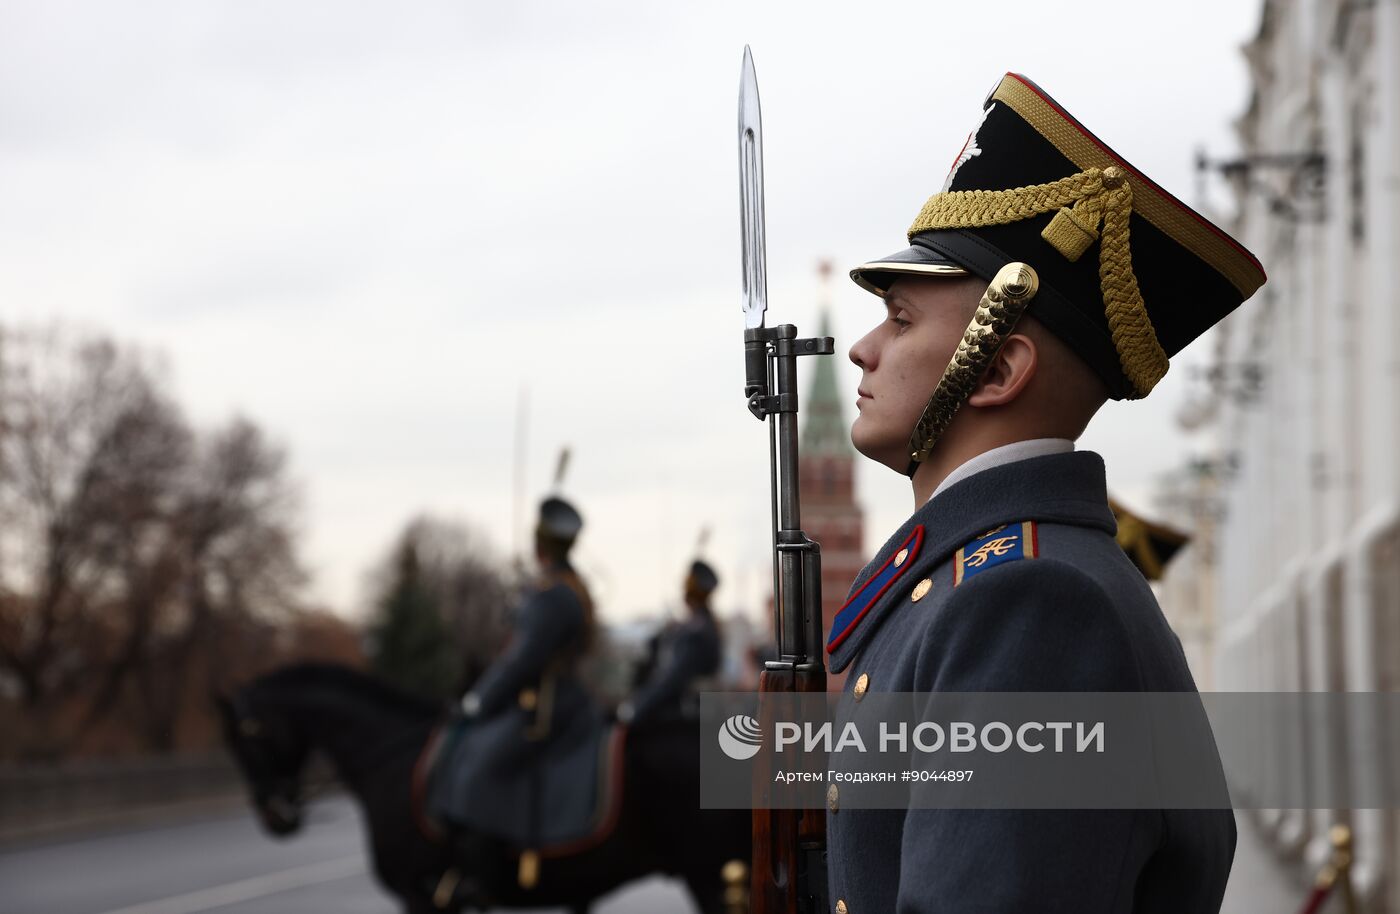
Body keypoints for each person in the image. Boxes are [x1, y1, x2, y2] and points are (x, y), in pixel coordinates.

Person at [823, 73, 1263, 913]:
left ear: (995, 369)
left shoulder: (1028, 605)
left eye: (903, 319)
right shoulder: (983, 584)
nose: (864, 349)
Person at [429, 495, 600, 903]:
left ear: (539, 545)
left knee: (477, 768)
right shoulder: (561, 587)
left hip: (548, 704)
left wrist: (477, 702)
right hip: (556, 698)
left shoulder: (553, 594)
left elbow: (519, 660)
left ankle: (482, 880)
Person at [618, 559, 723, 725]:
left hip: (682, 719)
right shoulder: (702, 626)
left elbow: (670, 680)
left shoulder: (695, 632)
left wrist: (635, 708)